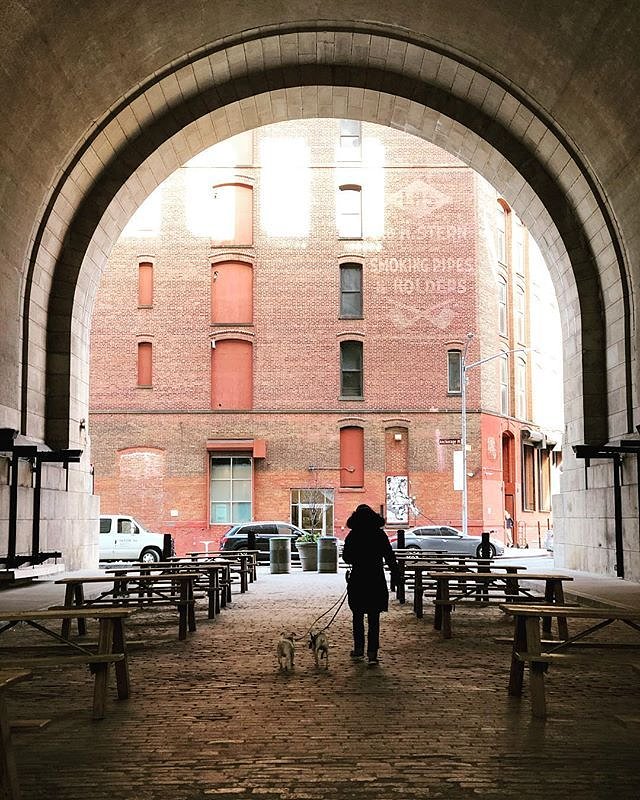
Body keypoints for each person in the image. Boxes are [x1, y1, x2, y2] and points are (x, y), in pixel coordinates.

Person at [342, 504, 399, 665]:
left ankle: (359, 649)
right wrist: (396, 574)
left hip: (358, 579)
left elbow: (346, 557)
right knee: (374, 619)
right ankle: (372, 653)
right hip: (375, 579)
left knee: (357, 616)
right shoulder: (379, 534)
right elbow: (389, 556)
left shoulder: (353, 535)